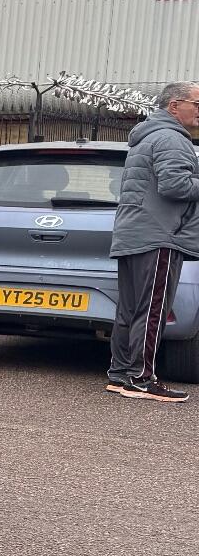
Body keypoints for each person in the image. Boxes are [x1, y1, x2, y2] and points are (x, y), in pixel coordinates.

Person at [107, 82, 199, 402]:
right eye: (196, 103)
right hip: (160, 235)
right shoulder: (172, 138)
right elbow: (175, 186)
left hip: (133, 233)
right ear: (174, 106)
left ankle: (120, 374)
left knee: (130, 309)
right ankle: (141, 379)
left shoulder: (146, 137)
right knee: (152, 311)